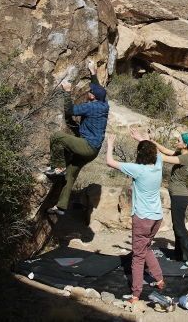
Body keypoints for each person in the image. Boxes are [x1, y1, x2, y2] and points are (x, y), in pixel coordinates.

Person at [131, 126, 188, 272]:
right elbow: (163, 150)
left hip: (180, 196)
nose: (176, 141)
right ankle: (179, 255)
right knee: (177, 226)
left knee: (179, 227)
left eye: (178, 140)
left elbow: (161, 157)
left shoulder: (184, 157)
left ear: (185, 144)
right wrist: (151, 141)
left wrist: (142, 141)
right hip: (177, 195)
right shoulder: (180, 152)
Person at [105, 133, 165, 302]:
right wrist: (143, 139)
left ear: (139, 154)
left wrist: (110, 144)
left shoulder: (138, 169)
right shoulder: (158, 165)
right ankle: (159, 279)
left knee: (138, 256)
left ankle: (136, 294)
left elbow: (110, 162)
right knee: (145, 248)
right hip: (157, 218)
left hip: (142, 218)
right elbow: (157, 152)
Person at [46, 61, 109, 216]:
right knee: (71, 174)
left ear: (92, 96)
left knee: (57, 137)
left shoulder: (91, 106)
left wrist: (67, 91)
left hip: (87, 146)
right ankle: (61, 207)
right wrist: (93, 73)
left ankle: (57, 167)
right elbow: (99, 91)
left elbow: (69, 111)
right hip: (93, 151)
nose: (88, 91)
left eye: (90, 91)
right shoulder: (104, 105)